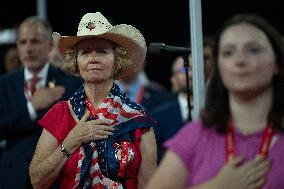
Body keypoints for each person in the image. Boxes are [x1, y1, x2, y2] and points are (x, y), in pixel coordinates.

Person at [146, 13, 284, 189]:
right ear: (219, 67)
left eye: (253, 50)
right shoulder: (196, 135)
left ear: (277, 63)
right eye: (228, 53)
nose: (240, 60)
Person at [29, 12, 157, 189]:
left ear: (117, 60)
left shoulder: (139, 121)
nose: (93, 58)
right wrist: (72, 140)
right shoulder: (60, 113)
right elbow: (37, 181)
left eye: (102, 51)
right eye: (85, 52)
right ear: (76, 60)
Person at [0, 16, 82, 189]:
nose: (29, 48)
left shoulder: (71, 83)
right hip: (12, 177)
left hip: (56, 177)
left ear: (50, 45)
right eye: (23, 42)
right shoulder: (4, 84)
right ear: (17, 47)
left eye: (35, 41)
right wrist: (31, 107)